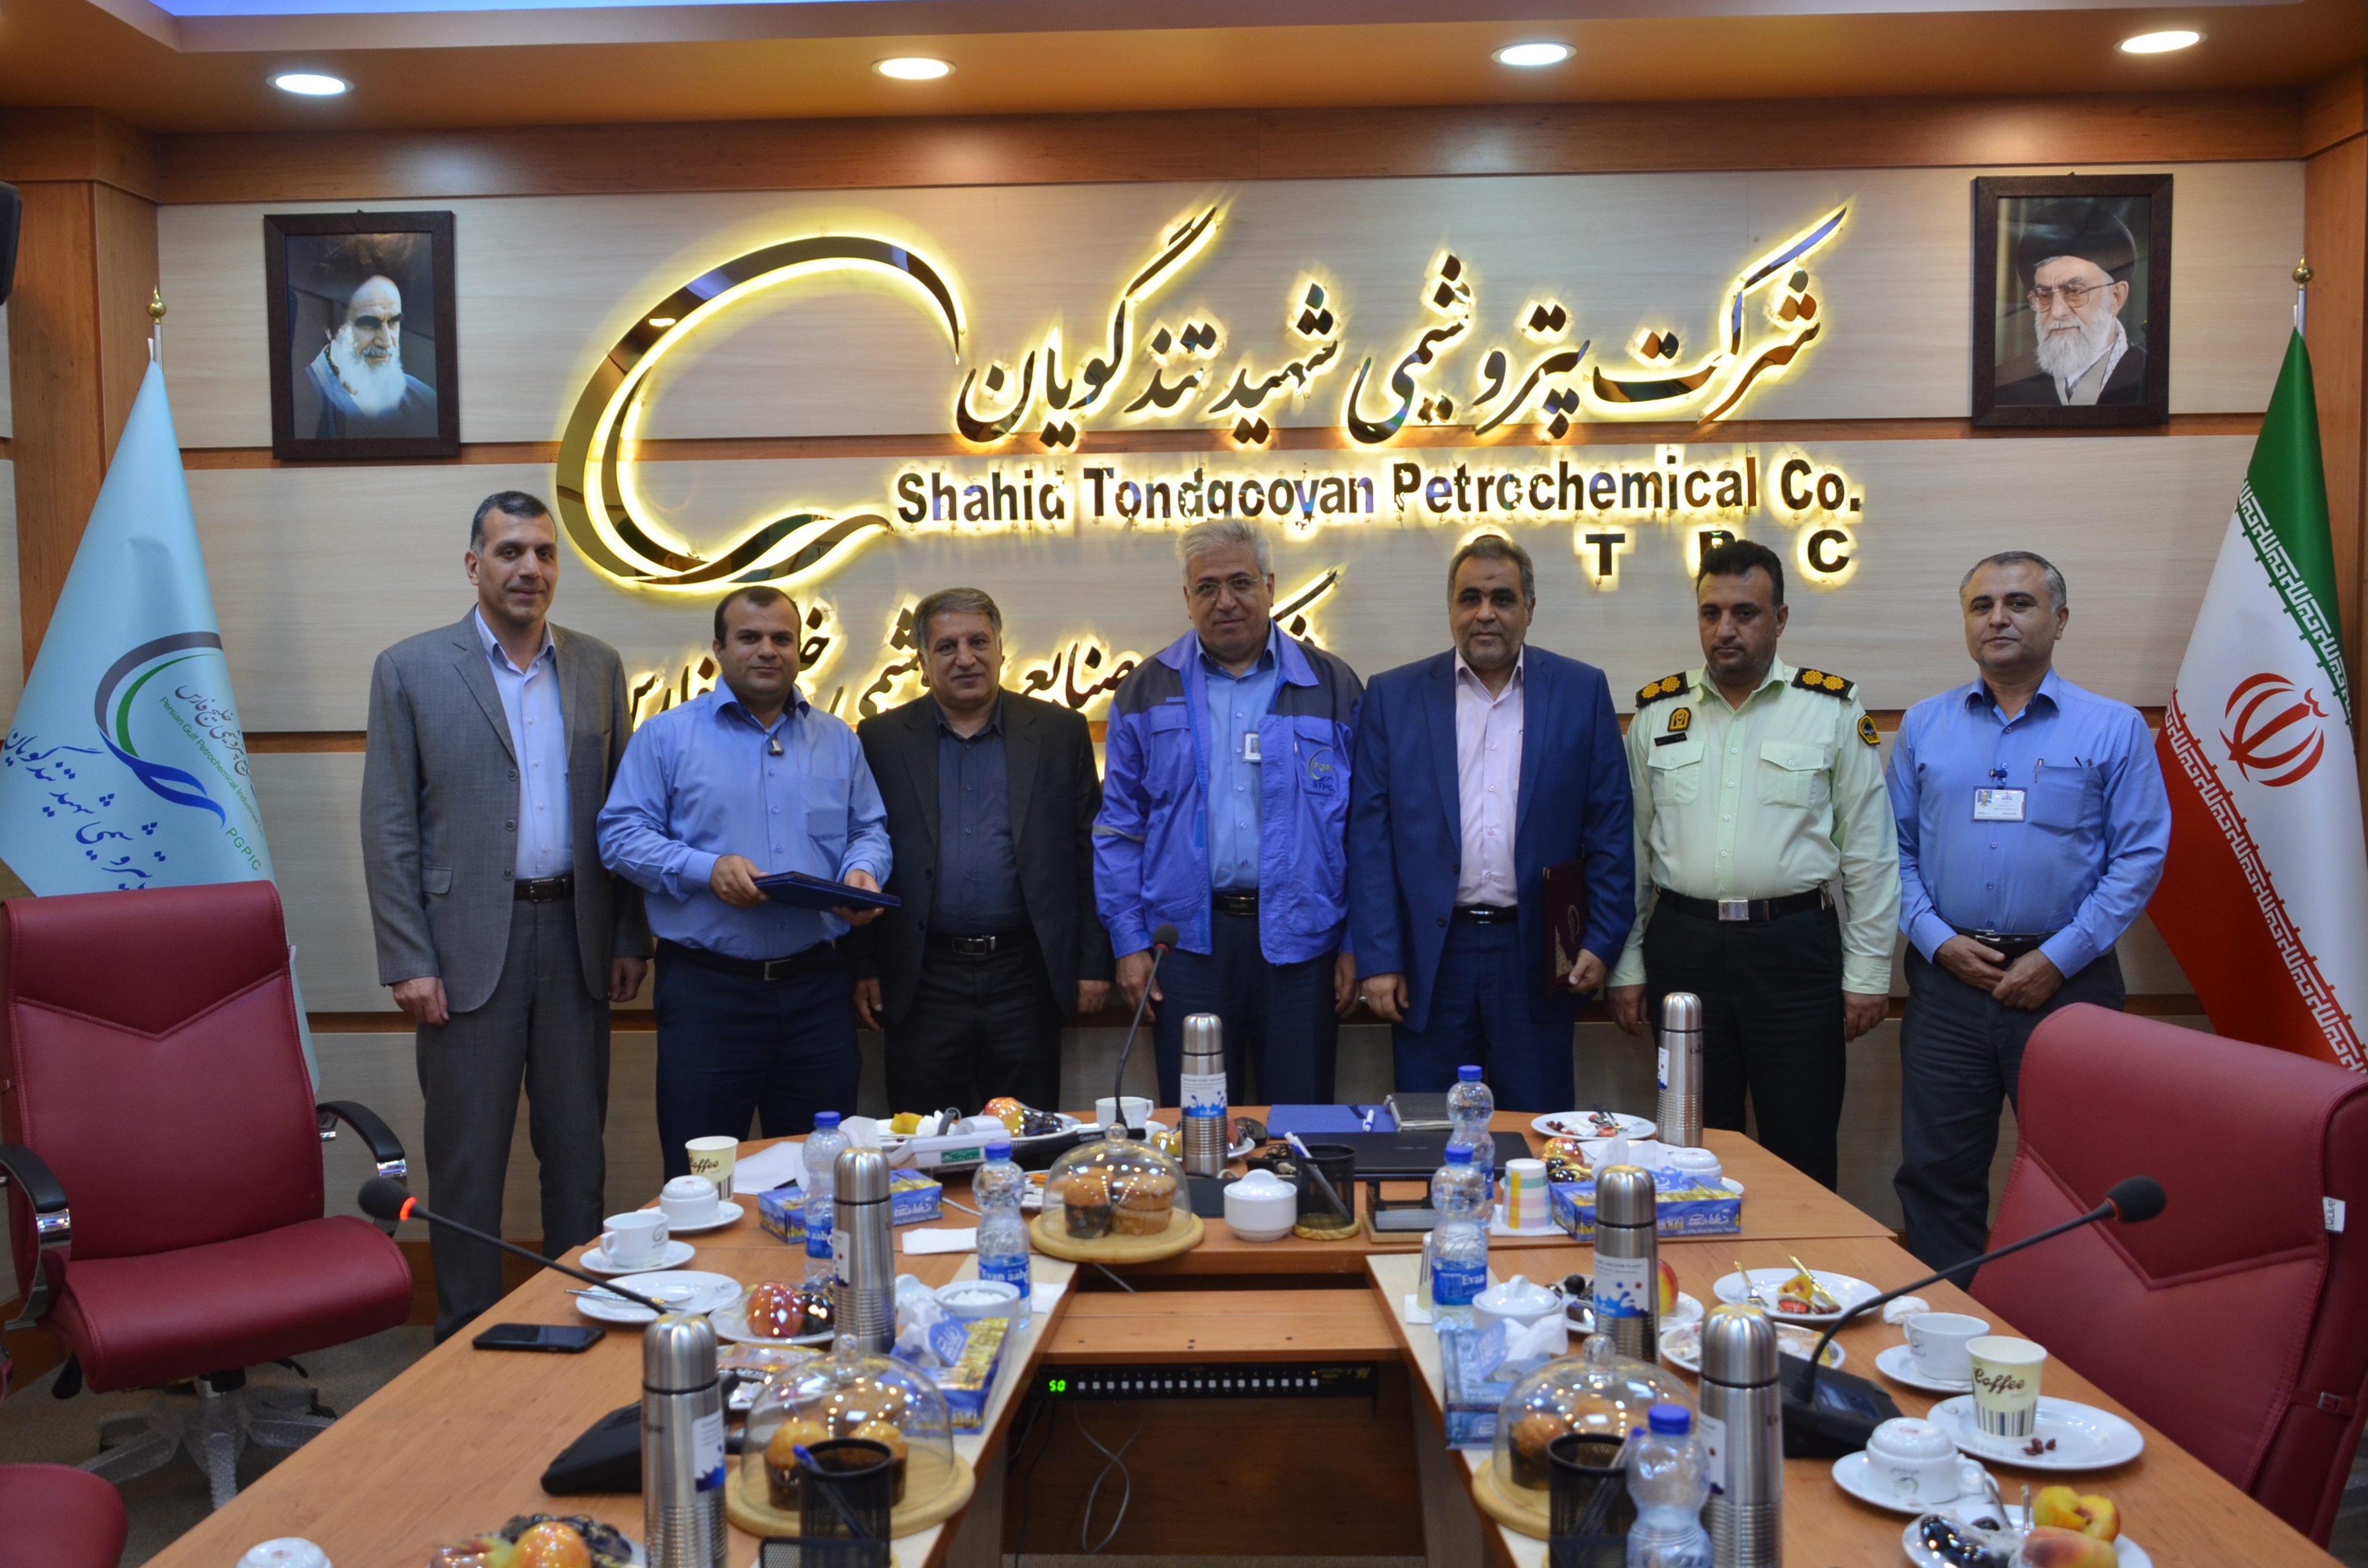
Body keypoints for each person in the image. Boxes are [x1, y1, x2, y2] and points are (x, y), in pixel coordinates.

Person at [360, 490, 650, 1339]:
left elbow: (623, 813)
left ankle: (578, 1321)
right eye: (510, 552)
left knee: (578, 1158)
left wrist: (628, 936)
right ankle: (466, 1337)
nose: (530, 569)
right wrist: (408, 957)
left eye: (544, 553)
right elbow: (388, 824)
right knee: (467, 1165)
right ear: (474, 565)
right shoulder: (410, 668)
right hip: (462, 953)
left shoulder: (598, 666)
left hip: (578, 942)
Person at [1887, 550, 2169, 1271]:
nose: (1998, 619)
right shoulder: (1923, 725)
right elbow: (1893, 852)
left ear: (2060, 620)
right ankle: (1950, 1324)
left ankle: (2067, 1329)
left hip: (2068, 985)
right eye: (1982, 606)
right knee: (1937, 1173)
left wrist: (2057, 958)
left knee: (2078, 1175)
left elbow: (2139, 858)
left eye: (2019, 603)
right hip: (1949, 983)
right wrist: (1936, 941)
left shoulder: (2113, 728)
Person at [1606, 539, 1897, 1189]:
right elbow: (1631, 855)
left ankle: (1802, 1256)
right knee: (1691, 1147)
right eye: (1711, 613)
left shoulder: (1830, 709)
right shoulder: (1658, 714)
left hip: (1793, 951)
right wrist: (1627, 964)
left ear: (1781, 619)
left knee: (1802, 1145)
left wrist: (1868, 972)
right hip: (1683, 947)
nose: (1725, 630)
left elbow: (1871, 854)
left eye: (1745, 613)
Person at [598, 586, 891, 1177]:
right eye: (750, 638)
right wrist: (705, 870)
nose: (767, 651)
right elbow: (620, 837)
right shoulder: (666, 736)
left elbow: (869, 829)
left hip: (816, 992)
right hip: (708, 993)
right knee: (706, 1177)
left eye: (782, 638)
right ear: (718, 649)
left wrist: (863, 872)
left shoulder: (838, 739)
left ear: (800, 650)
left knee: (819, 1175)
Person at [1349, 534, 1633, 1111]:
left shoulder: (1581, 691)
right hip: (1432, 959)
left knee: (1535, 1126)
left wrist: (1602, 940)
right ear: (1451, 608)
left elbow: (1609, 826)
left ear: (1530, 608)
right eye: (1470, 598)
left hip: (1537, 955)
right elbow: (1370, 839)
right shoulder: (1393, 696)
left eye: (1502, 598)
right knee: (1431, 1130)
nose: (1485, 613)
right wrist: (1379, 958)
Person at [1096, 518, 1363, 1106]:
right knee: (1199, 1124)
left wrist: (1355, 942)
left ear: (1270, 585)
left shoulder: (1332, 685)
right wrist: (1128, 941)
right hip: (1186, 949)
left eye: (1241, 582)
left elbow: (1361, 830)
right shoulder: (1146, 690)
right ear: (1187, 598)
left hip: (1305, 945)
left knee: (1299, 1124)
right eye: (1208, 587)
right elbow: (1119, 829)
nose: (1226, 601)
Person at [846, 587, 1112, 1114]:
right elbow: (858, 845)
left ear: (1001, 649)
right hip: (921, 978)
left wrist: (1094, 963)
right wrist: (863, 966)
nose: (965, 658)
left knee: (1025, 1135)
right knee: (924, 1140)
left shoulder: (1060, 733)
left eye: (978, 642)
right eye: (947, 647)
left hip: (1026, 975)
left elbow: (1090, 854)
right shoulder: (880, 739)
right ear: (923, 662)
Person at [1994, 203, 2148, 407]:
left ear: (2116, 296)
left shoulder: (2151, 377)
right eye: (2044, 295)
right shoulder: (2007, 385)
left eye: (2074, 291)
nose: (2057, 312)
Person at [297, 271, 440, 438]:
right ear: (330, 328)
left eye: (393, 321)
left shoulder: (426, 401)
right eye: (369, 323)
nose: (386, 341)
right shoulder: (300, 399)